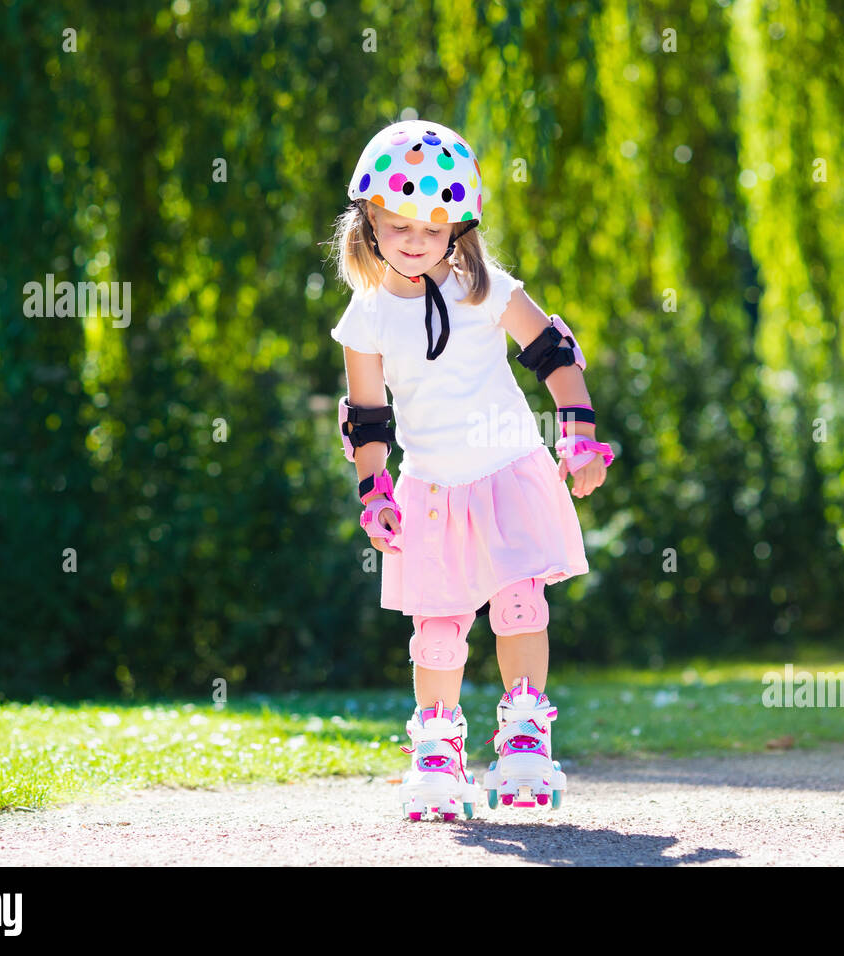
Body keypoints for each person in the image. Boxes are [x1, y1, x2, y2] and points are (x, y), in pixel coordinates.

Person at [328, 119, 615, 821]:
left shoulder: (484, 288)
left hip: (509, 469)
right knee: (437, 627)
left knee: (519, 603)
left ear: (458, 226)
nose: (415, 238)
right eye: (398, 223)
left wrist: (578, 435)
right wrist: (376, 492)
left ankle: (523, 735)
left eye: (433, 225)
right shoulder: (364, 319)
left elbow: (552, 352)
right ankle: (437, 752)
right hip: (429, 487)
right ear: (369, 220)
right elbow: (368, 420)